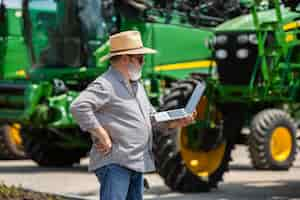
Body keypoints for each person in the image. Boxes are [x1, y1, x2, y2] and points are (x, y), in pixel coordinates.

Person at [70, 30, 195, 200]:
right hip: (116, 163)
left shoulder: (137, 86)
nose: (143, 63)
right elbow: (78, 106)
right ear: (125, 59)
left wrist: (177, 122)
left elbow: (151, 119)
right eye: (140, 58)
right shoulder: (106, 84)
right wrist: (101, 134)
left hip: (136, 162)